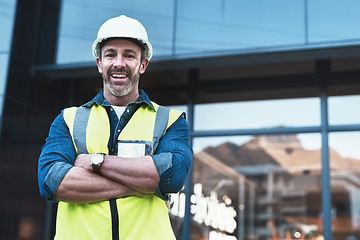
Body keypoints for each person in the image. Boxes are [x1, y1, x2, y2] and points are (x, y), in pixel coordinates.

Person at [38, 15, 192, 240]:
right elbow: (51, 182)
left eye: (129, 55)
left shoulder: (171, 120)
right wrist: (143, 185)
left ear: (143, 64)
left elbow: (172, 177)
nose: (119, 63)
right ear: (100, 63)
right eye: (110, 54)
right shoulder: (68, 120)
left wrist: (94, 161)